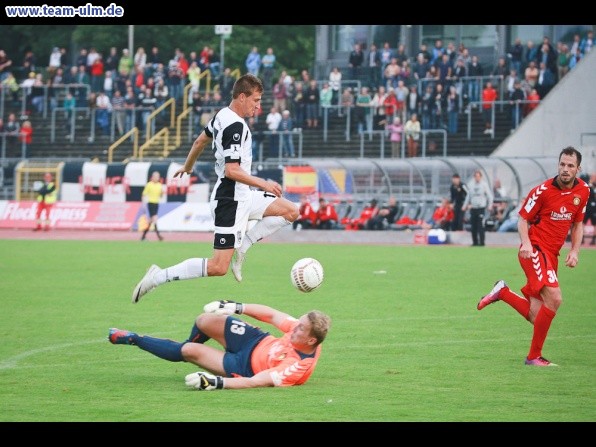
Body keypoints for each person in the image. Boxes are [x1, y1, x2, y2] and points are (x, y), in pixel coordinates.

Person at [131, 74, 298, 303]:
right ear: (242, 97)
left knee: (291, 211)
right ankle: (158, 276)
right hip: (229, 201)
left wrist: (188, 166)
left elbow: (200, 141)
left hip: (243, 195)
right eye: (255, 100)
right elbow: (232, 171)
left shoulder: (222, 115)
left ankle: (244, 246)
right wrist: (264, 183)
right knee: (218, 267)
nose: (258, 106)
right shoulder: (235, 126)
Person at [477, 147, 590, 367]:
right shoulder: (542, 191)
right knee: (555, 298)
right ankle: (533, 357)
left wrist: (575, 251)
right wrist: (526, 243)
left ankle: (503, 292)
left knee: (535, 316)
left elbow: (577, 224)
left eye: (570, 166)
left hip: (552, 255)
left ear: (578, 169)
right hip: (535, 250)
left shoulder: (584, 191)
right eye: (562, 164)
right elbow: (522, 219)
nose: (565, 169)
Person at [109, 299, 331, 390]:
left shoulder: (297, 366)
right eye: (298, 323)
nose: (295, 328)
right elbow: (272, 315)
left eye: (300, 328)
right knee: (204, 320)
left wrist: (216, 383)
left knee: (189, 350)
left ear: (311, 340)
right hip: (254, 339)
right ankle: (180, 352)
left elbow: (256, 381)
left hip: (243, 366)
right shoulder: (301, 331)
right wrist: (235, 306)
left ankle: (133, 338)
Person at [462, 170, 493, 246]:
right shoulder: (471, 185)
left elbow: (490, 196)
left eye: (478, 176)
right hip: (473, 208)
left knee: (480, 226)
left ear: (481, 177)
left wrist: (490, 205)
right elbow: (468, 197)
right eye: (475, 176)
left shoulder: (484, 185)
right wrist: (464, 206)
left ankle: (482, 242)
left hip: (481, 208)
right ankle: (475, 242)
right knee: (473, 226)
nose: (477, 178)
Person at [140, 171, 164, 241]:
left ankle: (143, 236)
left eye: (158, 177)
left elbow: (161, 196)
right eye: (156, 176)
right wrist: (143, 203)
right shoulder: (149, 185)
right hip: (151, 204)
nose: (157, 178)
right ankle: (159, 235)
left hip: (156, 204)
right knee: (155, 218)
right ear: (153, 177)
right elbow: (144, 194)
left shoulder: (159, 185)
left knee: (151, 221)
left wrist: (162, 193)